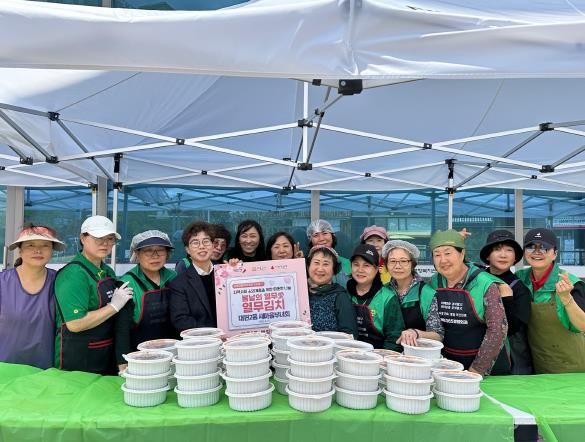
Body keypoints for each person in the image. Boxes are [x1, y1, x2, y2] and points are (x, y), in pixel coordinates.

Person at [54, 216, 134, 375]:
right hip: (76, 360)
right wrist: (114, 306)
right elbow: (75, 324)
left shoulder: (107, 271)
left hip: (104, 353)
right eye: (98, 238)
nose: (105, 243)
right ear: (83, 238)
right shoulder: (74, 274)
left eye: (110, 239)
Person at [429, 229, 508, 376]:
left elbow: (497, 329)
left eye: (448, 253)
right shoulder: (434, 282)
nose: (443, 260)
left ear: (462, 254)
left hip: (484, 369)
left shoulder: (484, 282)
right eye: (437, 255)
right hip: (447, 366)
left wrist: (477, 370)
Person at [515, 228, 585, 373]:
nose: (537, 252)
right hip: (539, 365)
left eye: (544, 248)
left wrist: (566, 298)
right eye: (531, 247)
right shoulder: (520, 278)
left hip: (573, 366)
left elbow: (582, 325)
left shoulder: (571, 284)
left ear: (555, 254)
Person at [0, 225, 65, 369]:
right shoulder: (3, 282)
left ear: (52, 250)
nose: (38, 250)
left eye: (45, 245)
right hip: (5, 368)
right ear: (20, 250)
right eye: (30, 245)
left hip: (46, 370)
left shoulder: (60, 281)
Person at [480, 230, 533, 374]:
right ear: (487, 256)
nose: (503, 255)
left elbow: (514, 328)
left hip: (506, 358)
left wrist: (507, 298)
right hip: (474, 348)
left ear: (515, 257)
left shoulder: (519, 288)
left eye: (509, 250)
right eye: (497, 249)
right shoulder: (477, 277)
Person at [121, 230, 177, 349]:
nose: (155, 256)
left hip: (174, 348)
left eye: (160, 250)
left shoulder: (174, 277)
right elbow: (121, 330)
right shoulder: (127, 283)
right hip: (140, 352)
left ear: (167, 253)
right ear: (137, 253)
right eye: (148, 250)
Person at [382, 240, 444, 347]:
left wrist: (416, 333)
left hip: (418, 353)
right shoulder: (383, 291)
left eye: (403, 261)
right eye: (392, 261)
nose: (397, 266)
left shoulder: (426, 293)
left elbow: (438, 335)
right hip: (387, 352)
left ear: (412, 264)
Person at [346, 244, 404, 350]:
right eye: (356, 264)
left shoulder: (387, 297)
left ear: (377, 269)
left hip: (379, 353)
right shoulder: (344, 294)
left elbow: (394, 338)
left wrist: (380, 357)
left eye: (366, 265)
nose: (360, 270)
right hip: (347, 351)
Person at [169, 221, 217, 332]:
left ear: (213, 245)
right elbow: (181, 320)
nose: (201, 246)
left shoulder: (226, 275)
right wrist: (213, 333)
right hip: (201, 340)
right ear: (187, 249)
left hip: (232, 339)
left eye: (206, 241)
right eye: (195, 242)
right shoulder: (178, 284)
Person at [306, 245, 358, 337]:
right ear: (308, 266)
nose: (320, 269)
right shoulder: (301, 292)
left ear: (334, 270)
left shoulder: (340, 296)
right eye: (316, 263)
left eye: (326, 264)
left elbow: (349, 334)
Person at [306, 219, 351, 285]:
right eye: (316, 235)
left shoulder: (348, 264)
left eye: (325, 233)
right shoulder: (305, 265)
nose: (321, 239)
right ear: (310, 240)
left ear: (332, 236)